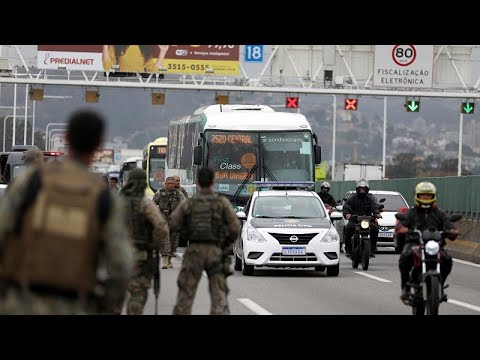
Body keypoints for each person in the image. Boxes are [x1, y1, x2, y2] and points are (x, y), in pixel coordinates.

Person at [0, 109, 134, 315]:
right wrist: (105, 306)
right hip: (75, 305)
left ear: (66, 138)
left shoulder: (30, 182)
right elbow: (121, 266)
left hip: (20, 301)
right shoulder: (105, 198)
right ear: (98, 144)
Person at [170, 167, 241, 315]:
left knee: (186, 294)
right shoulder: (221, 202)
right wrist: (226, 243)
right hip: (216, 251)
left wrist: (187, 231)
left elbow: (174, 223)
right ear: (213, 182)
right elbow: (235, 227)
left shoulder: (189, 203)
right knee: (218, 295)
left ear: (197, 182)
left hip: (194, 250)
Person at [117, 167, 170, 315]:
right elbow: (161, 228)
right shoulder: (145, 204)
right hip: (139, 253)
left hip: (115, 254)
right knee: (138, 293)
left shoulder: (115, 201)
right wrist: (153, 244)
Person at [395, 181, 459, 304]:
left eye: (428, 195)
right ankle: (405, 288)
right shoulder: (412, 212)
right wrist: (402, 229)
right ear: (417, 196)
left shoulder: (439, 213)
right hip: (415, 243)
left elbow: (449, 224)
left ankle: (440, 286)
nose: (425, 198)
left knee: (448, 260)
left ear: (433, 196)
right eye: (423, 195)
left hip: (436, 245)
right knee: (404, 258)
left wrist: (452, 230)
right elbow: (402, 224)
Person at [342, 178, 381, 258]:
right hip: (355, 220)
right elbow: (346, 206)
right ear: (357, 189)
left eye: (364, 189)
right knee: (348, 228)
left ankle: (372, 248)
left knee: (375, 229)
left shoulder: (370, 199)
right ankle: (348, 249)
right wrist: (347, 214)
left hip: (368, 220)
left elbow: (374, 207)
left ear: (366, 190)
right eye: (361, 189)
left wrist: (377, 213)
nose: (362, 190)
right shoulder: (352, 198)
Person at [153, 176, 186, 269]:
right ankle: (165, 259)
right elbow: (153, 204)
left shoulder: (178, 193)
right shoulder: (160, 192)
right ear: (166, 184)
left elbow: (185, 204)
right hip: (163, 220)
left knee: (174, 241)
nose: (171, 185)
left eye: (172, 183)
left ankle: (169, 258)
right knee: (165, 239)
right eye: (169, 183)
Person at [102, 45, 170, 73]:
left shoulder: (145, 47)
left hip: (140, 87)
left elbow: (153, 71)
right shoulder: (117, 46)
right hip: (121, 85)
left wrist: (163, 52)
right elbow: (107, 67)